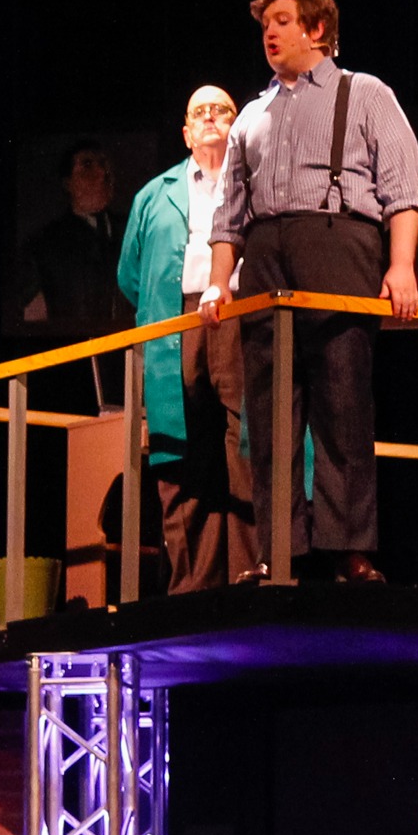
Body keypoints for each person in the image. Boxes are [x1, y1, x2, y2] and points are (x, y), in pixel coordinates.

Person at [201, 0, 418, 585]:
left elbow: (403, 187)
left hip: (338, 242)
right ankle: (279, 551)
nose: (269, 34)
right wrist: (219, 282)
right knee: (270, 412)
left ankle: (347, 549)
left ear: (317, 29)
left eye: (281, 21)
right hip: (266, 257)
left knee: (342, 399)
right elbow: (229, 215)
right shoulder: (251, 115)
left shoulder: (365, 93)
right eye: (265, 25)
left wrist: (400, 265)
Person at [116, 86, 257, 591]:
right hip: (177, 324)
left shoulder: (256, 184)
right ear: (185, 132)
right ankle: (192, 585)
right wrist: (168, 307)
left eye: (222, 110)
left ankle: (248, 574)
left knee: (246, 443)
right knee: (182, 450)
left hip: (241, 317)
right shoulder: (154, 194)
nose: (211, 118)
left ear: (237, 126)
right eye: (200, 112)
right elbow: (130, 275)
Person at [18, 140, 129, 336]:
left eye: (103, 164)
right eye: (87, 165)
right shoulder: (45, 244)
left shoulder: (131, 230)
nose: (101, 174)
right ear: (68, 183)